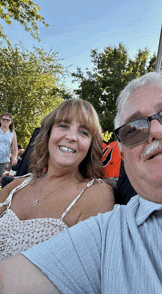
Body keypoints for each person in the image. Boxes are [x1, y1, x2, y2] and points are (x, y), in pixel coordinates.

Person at [1, 72, 162, 293]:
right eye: (134, 129)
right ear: (123, 155)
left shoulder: (96, 196)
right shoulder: (110, 232)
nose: (157, 131)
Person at [0, 98, 114, 261]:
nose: (72, 137)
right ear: (48, 134)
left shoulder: (96, 193)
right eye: (63, 126)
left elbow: (85, 272)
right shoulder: (18, 185)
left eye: (83, 132)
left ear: (90, 145)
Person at [0, 112, 18, 183]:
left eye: (8, 120)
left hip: (4, 159)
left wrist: (14, 158)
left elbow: (14, 146)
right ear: (0, 120)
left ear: (11, 122)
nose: (5, 121)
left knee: (1, 177)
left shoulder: (12, 132)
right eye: (3, 119)